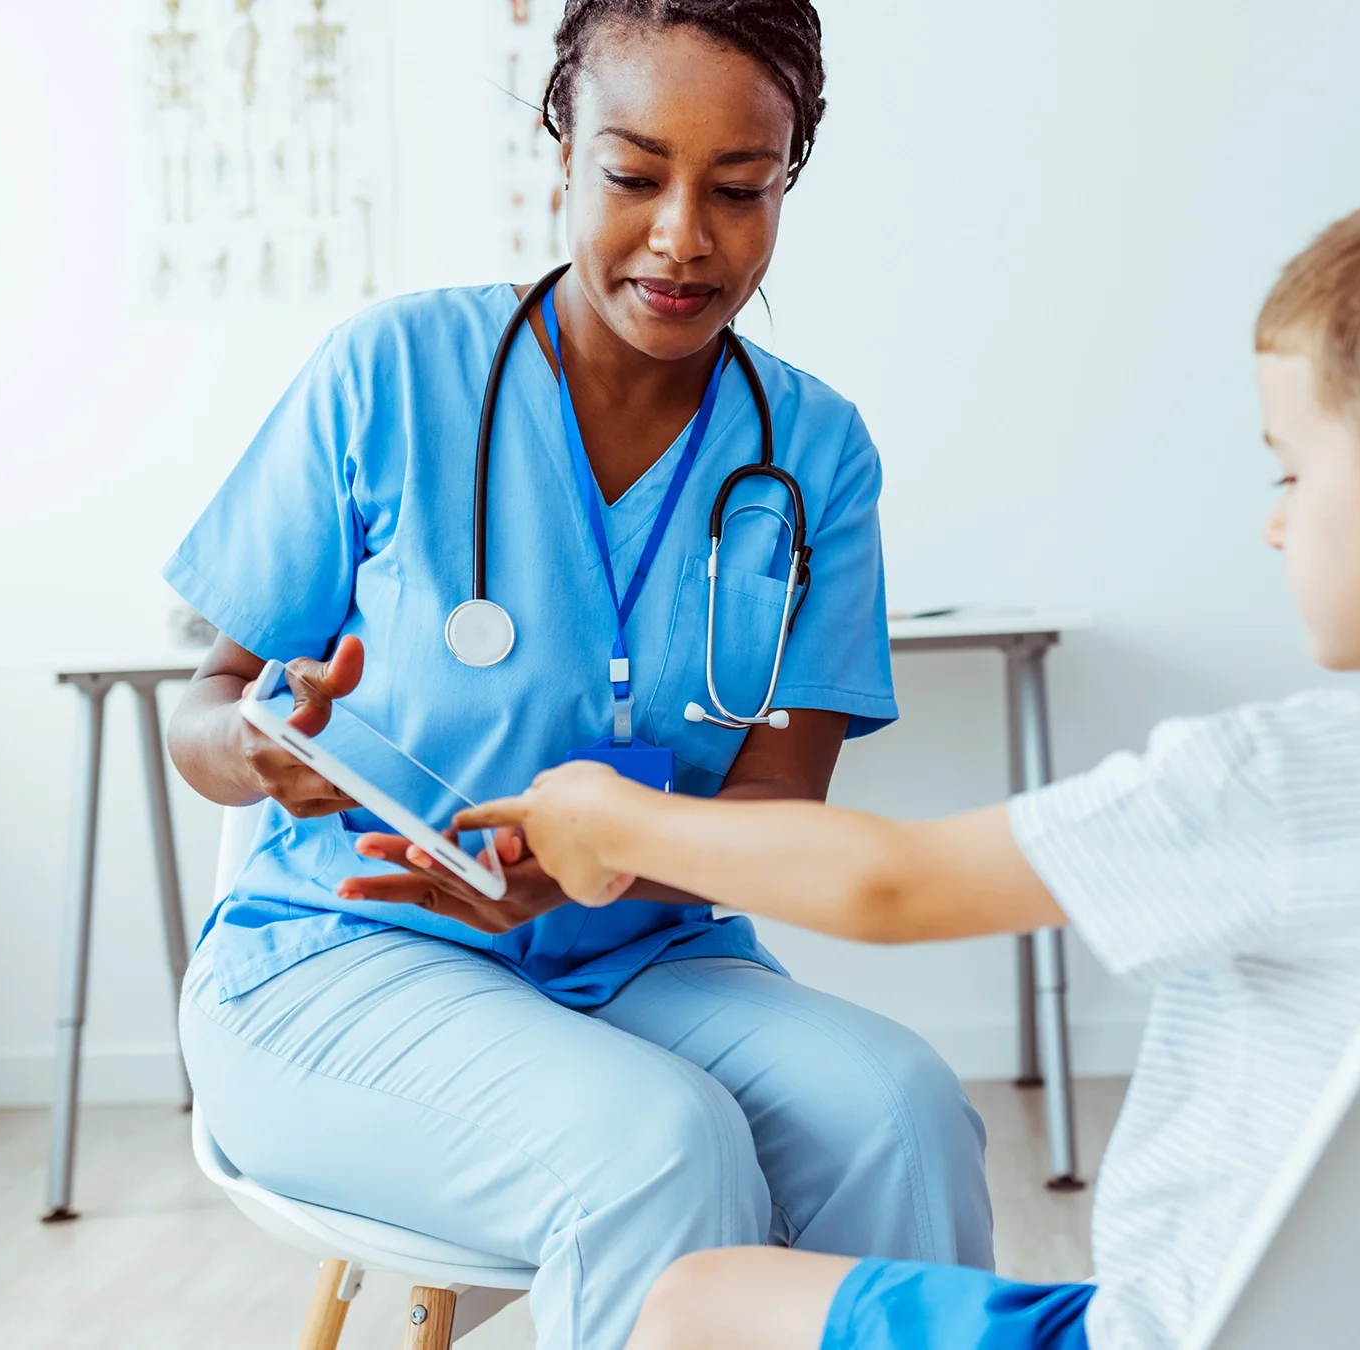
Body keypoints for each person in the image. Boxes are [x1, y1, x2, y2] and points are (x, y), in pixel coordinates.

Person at [455, 153, 1360, 1350]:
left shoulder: (1296, 773)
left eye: (1291, 472)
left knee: (705, 1297)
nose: (1282, 526)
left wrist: (612, 822)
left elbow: (891, 885)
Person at [161, 3, 990, 1348]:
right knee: (661, 1144)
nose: (684, 235)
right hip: (344, 957)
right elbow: (208, 705)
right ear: (560, 153)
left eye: (739, 188)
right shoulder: (393, 374)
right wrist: (256, 750)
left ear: (789, 179)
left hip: (649, 956)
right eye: (633, 175)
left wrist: (606, 862)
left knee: (901, 1111)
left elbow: (783, 810)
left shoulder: (812, 450)